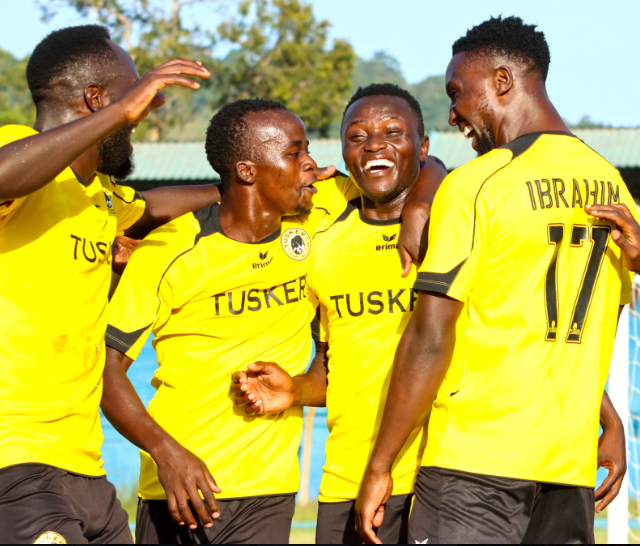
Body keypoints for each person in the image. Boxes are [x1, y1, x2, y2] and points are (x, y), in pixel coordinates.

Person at [101, 98, 444, 544]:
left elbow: (426, 163)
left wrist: (418, 211)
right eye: (294, 153)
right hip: (181, 488)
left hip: (271, 492)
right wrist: (166, 453)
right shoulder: (169, 252)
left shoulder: (318, 218)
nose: (312, 166)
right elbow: (105, 372)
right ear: (247, 171)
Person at [355, 16, 637, 544]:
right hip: (566, 466)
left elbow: (430, 336)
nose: (454, 111)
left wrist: (380, 465)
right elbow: (581, 327)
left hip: (474, 464)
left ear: (502, 81)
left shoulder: (477, 184)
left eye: (458, 92)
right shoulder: (611, 182)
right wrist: (610, 419)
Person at [0, 25, 224, 544]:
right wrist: (120, 113)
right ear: (96, 99)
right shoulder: (10, 151)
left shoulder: (101, 198)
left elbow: (153, 206)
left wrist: (244, 187)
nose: (138, 116)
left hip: (81, 462)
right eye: (130, 92)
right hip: (7, 453)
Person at [231, 84, 444, 544]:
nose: (373, 145)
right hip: (346, 480)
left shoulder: (454, 223)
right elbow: (335, 367)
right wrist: (295, 389)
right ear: (344, 154)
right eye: (356, 135)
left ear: (423, 147)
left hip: (439, 482)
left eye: (393, 131)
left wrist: (424, 201)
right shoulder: (325, 236)